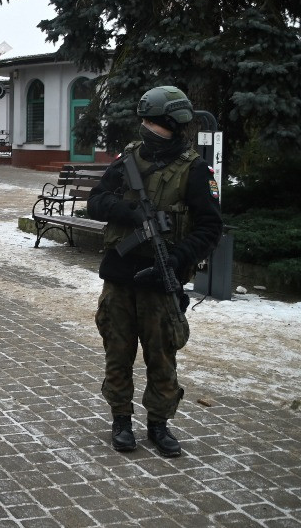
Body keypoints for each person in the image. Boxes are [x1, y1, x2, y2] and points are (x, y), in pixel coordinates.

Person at [87, 85, 222, 457]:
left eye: (151, 121)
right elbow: (95, 201)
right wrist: (125, 211)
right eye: (143, 121)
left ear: (171, 124)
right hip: (119, 276)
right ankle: (121, 420)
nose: (144, 127)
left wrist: (179, 259)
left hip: (160, 281)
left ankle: (159, 425)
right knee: (118, 352)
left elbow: (210, 227)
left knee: (161, 357)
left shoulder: (195, 170)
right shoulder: (127, 159)